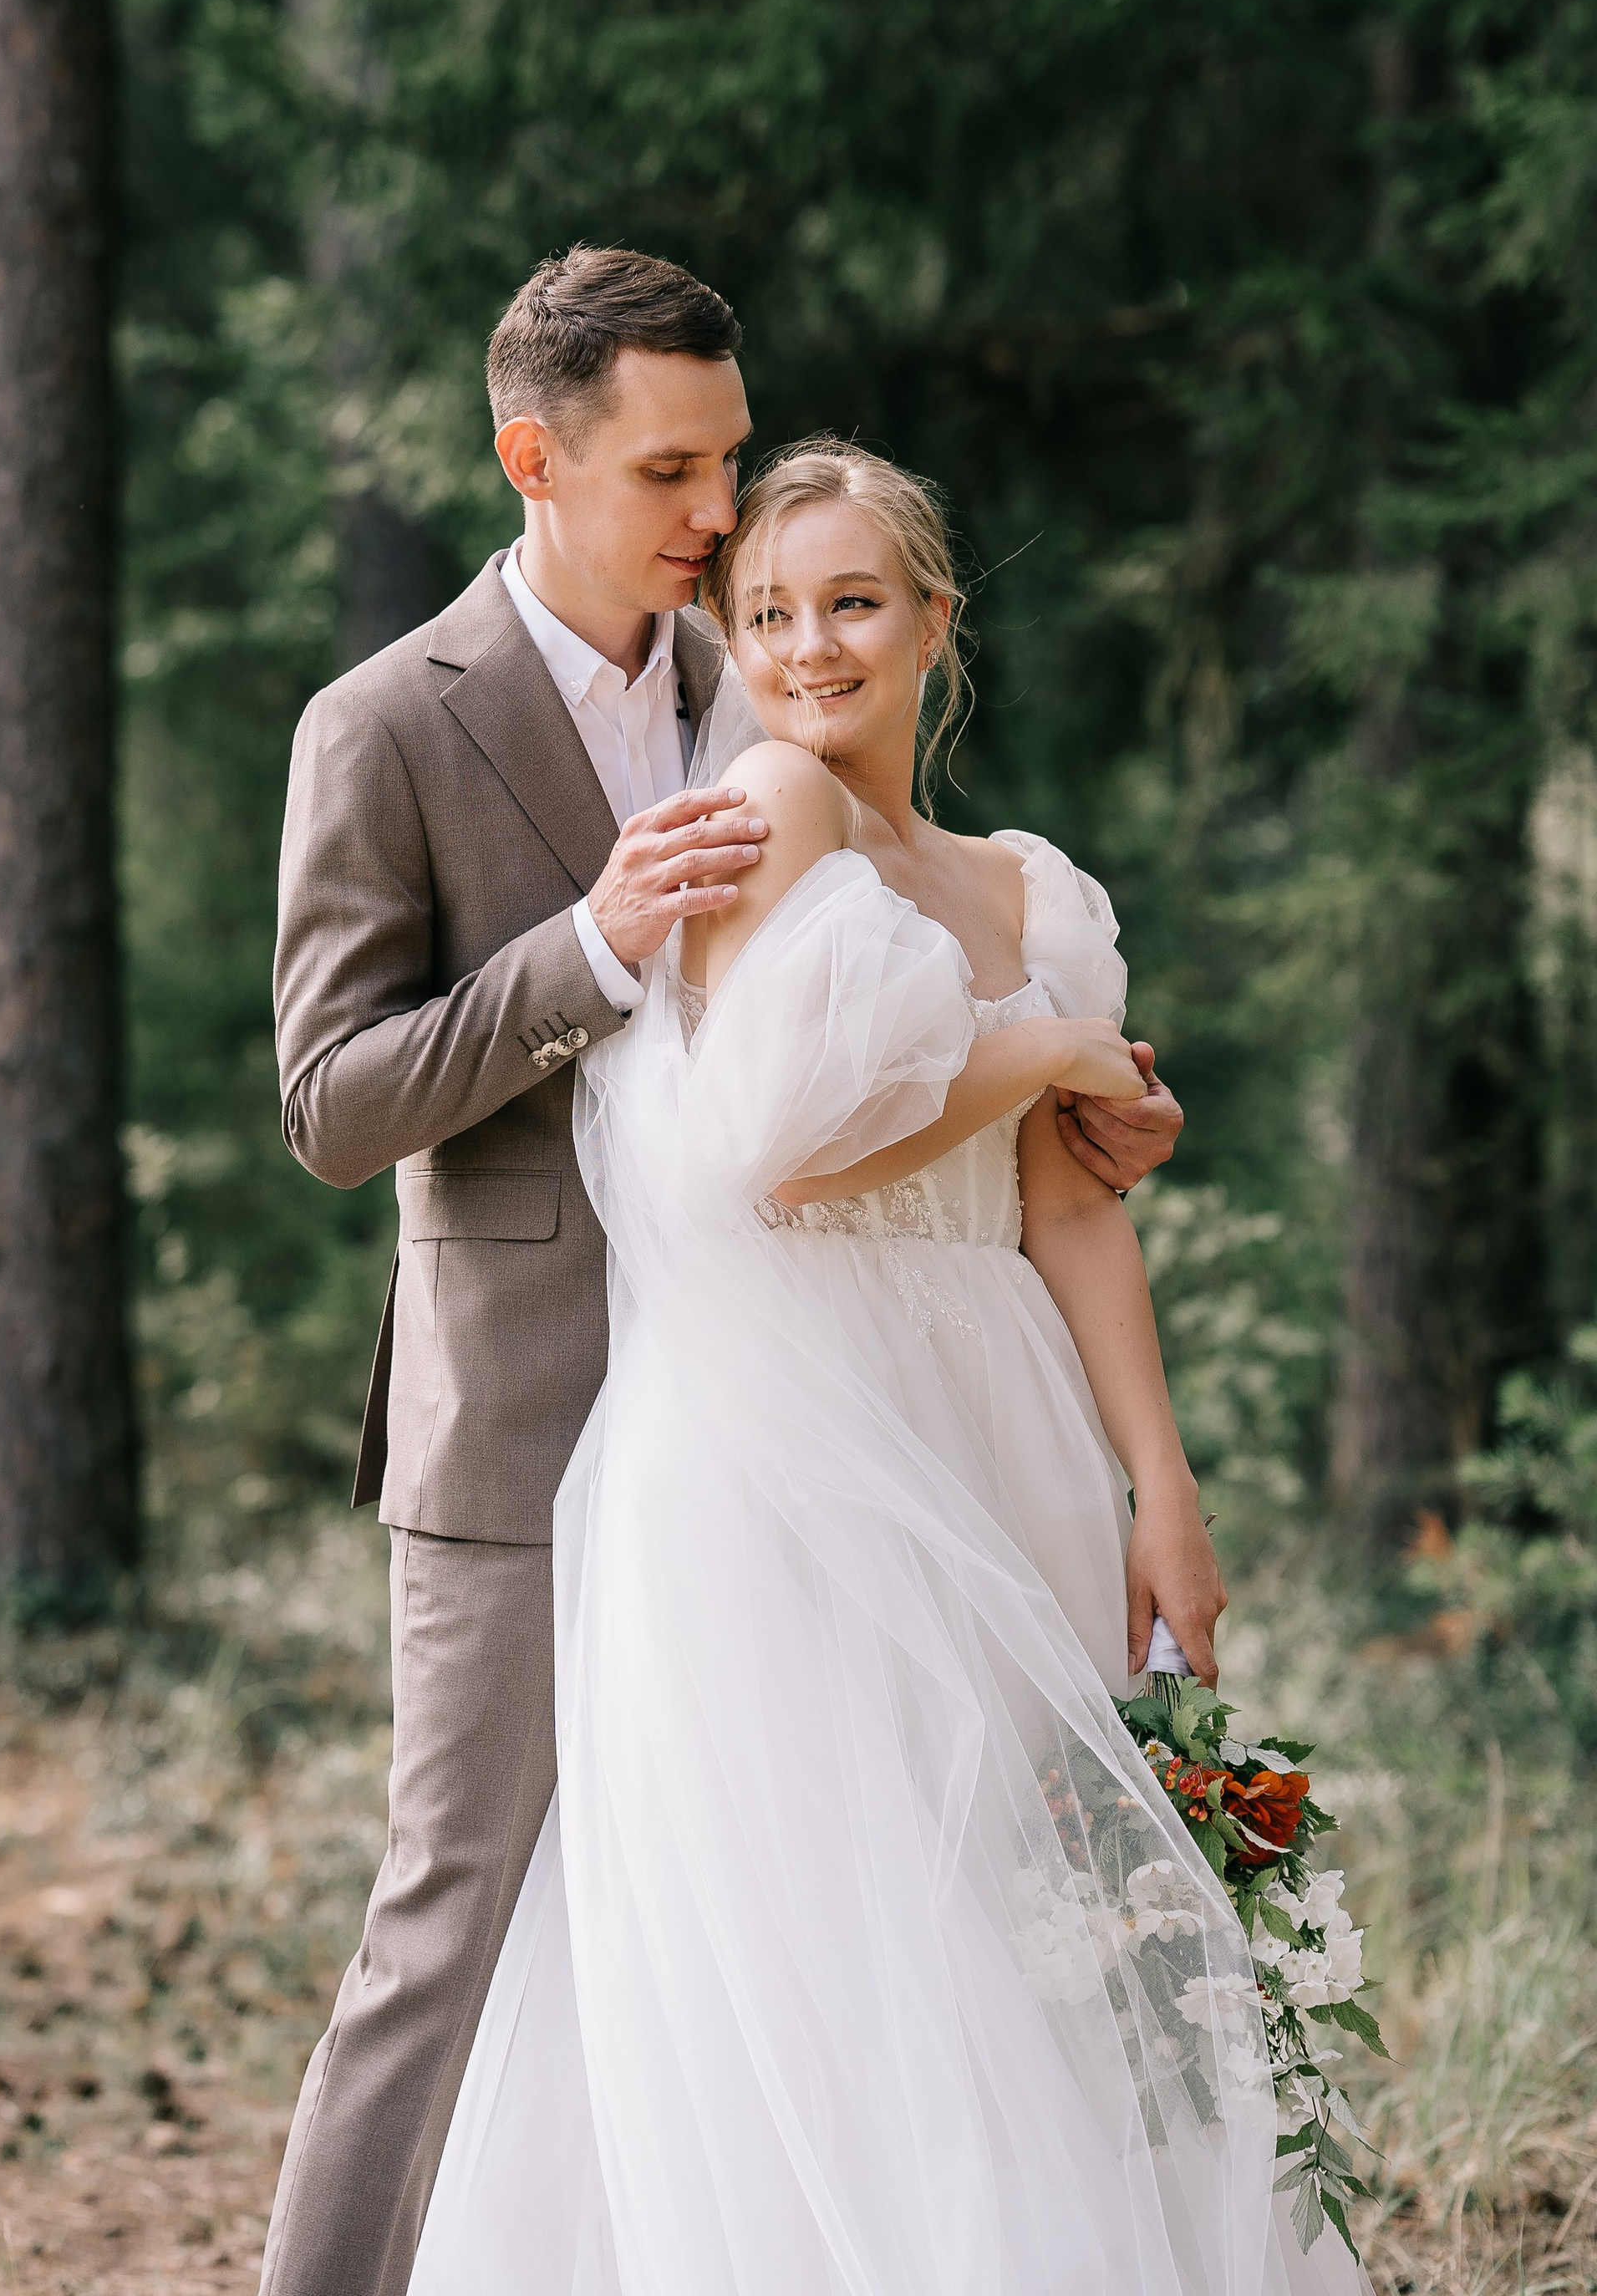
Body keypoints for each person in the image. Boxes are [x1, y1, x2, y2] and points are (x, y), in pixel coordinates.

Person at [266, 257, 1184, 2296]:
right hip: (520, 1423)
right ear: (537, 460)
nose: (715, 509)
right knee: (456, 1929)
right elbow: (329, 1104)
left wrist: (1078, 1089)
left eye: (730, 457)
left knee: (775, 1940)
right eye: (670, 467)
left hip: (800, 1414)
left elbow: (893, 1012)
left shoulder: (755, 672)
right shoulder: (384, 726)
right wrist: (580, 951)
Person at [403, 439, 1361, 2296]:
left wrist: (1157, 1485)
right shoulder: (769, 809)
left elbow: (1066, 1214)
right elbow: (788, 1147)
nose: (805, 648)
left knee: (1022, 1919)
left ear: (935, 618)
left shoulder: (1019, 884)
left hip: (991, 1420)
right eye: (763, 612)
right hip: (788, 1447)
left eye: (849, 603)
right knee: (851, 1933)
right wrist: (1053, 1055)